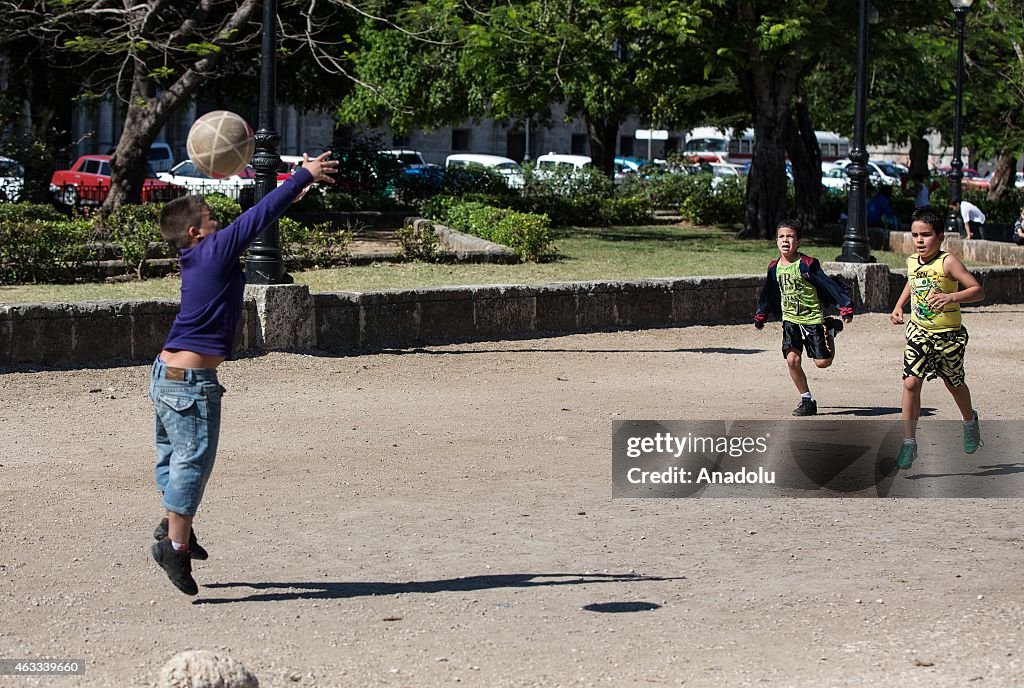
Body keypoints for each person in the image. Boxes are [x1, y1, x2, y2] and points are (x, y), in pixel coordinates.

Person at [149, 152, 339, 595]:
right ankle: (174, 546)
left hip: (165, 376)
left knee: (176, 462)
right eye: (212, 217)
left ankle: (175, 526)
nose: (220, 222)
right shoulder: (212, 250)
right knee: (192, 463)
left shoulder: (197, 257)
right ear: (196, 231)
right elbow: (258, 217)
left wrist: (295, 190)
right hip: (190, 385)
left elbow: (262, 214)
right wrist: (300, 176)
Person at [889, 206, 985, 470]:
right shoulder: (911, 261)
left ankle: (969, 422)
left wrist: (951, 296)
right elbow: (912, 280)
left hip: (949, 337)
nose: (919, 240)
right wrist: (899, 305)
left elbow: (978, 291)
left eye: (926, 235)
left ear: (940, 236)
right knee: (910, 384)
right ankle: (909, 443)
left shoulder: (948, 262)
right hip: (919, 332)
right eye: (915, 235)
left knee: (954, 384)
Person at [754, 219, 855, 416]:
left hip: (812, 320)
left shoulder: (807, 264)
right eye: (781, 237)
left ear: (799, 241)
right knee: (792, 360)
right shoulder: (774, 268)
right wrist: (761, 314)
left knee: (822, 363)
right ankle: (807, 399)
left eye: (790, 236)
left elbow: (828, 285)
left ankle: (831, 330)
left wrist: (845, 307)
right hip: (790, 320)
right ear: (776, 241)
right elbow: (768, 292)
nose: (785, 240)